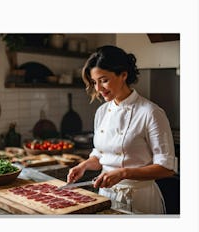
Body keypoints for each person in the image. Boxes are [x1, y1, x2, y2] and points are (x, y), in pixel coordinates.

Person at [67, 45, 176, 214]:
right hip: (106, 196)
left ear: (123, 74)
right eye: (95, 82)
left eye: (104, 80)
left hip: (140, 199)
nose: (98, 89)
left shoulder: (150, 112)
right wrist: (84, 166)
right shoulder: (102, 111)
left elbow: (166, 168)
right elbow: (101, 155)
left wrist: (124, 173)